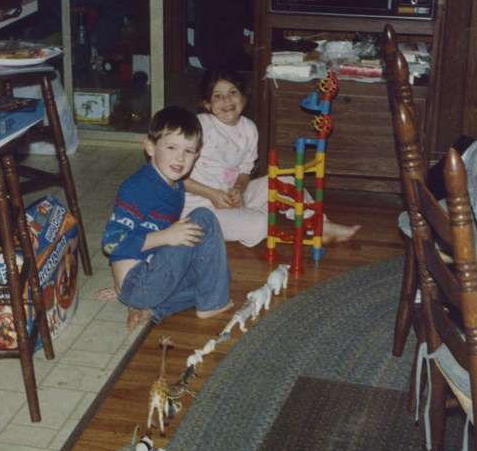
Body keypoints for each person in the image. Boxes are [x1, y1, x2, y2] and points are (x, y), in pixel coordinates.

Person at [182, 69, 361, 248]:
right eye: (218, 96)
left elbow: (244, 172)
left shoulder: (249, 129)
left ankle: (322, 226)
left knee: (287, 181)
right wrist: (211, 194)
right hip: (200, 209)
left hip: (232, 198)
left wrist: (239, 188)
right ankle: (248, 217)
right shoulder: (200, 125)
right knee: (262, 225)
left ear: (244, 98)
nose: (227, 100)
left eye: (233, 92)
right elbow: (175, 175)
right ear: (207, 104)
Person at [98, 105, 233, 329]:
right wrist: (166, 236)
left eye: (188, 151)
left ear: (197, 155)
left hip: (142, 282)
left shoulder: (175, 184)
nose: (180, 158)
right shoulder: (138, 187)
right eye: (171, 147)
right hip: (139, 282)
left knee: (213, 275)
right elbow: (112, 243)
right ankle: (213, 303)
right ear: (150, 147)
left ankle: (153, 308)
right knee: (203, 217)